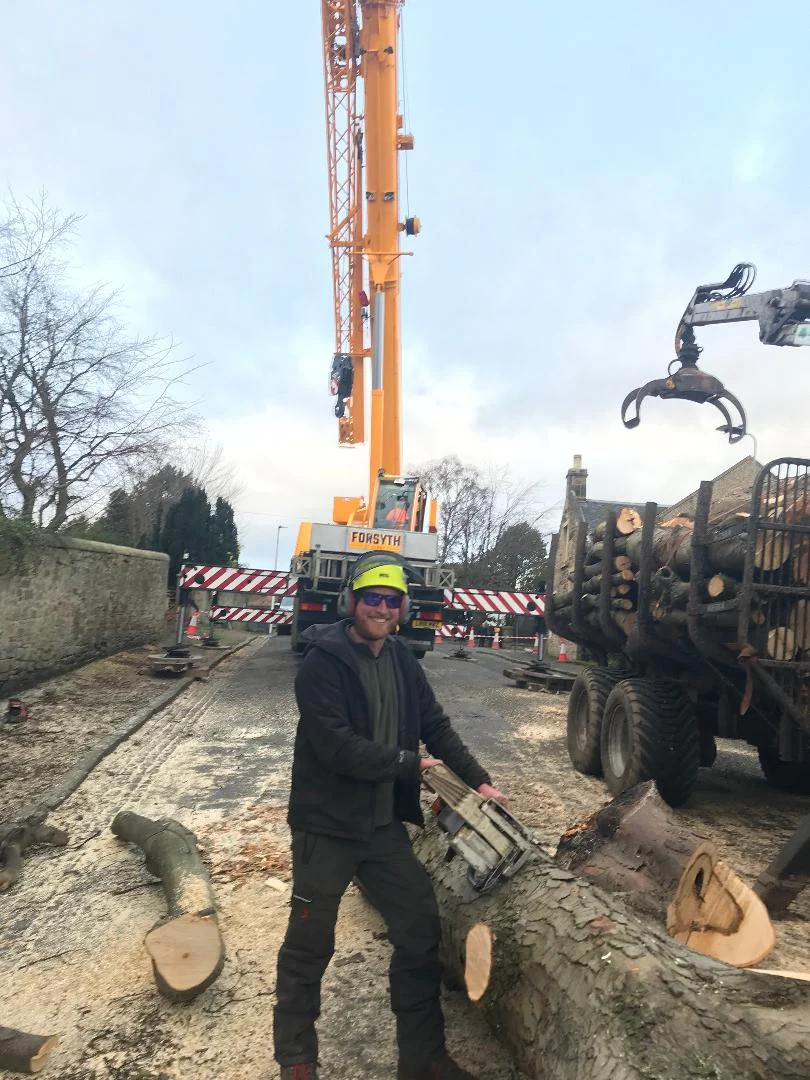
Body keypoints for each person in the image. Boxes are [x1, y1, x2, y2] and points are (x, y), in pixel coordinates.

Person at [274, 555, 507, 1080]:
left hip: (381, 828)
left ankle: (421, 1057)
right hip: (327, 825)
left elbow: (437, 727)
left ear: (402, 608)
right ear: (352, 602)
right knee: (310, 942)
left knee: (420, 925)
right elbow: (338, 749)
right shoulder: (322, 663)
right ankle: (296, 1059)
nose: (381, 608)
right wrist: (412, 765)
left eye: (391, 599)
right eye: (372, 598)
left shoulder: (403, 659)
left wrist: (480, 780)